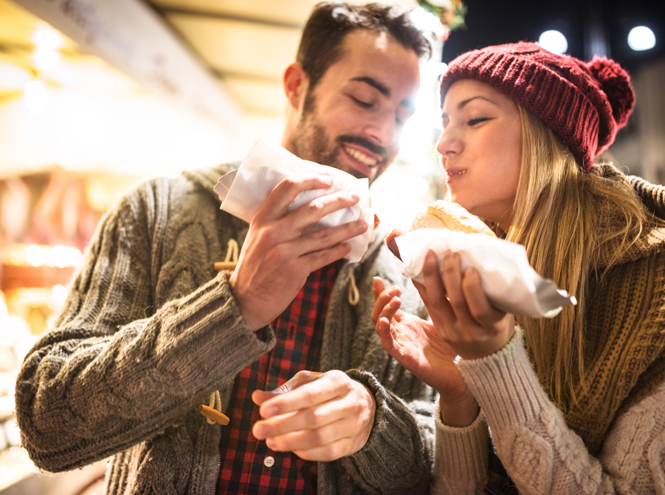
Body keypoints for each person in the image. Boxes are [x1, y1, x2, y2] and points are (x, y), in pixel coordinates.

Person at [14, 3, 437, 494]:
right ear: (296, 86)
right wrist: (235, 305)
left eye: (403, 117)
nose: (383, 135)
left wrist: (373, 423)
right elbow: (47, 424)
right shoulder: (157, 209)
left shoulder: (400, 270)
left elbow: (434, 466)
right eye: (365, 99)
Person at [372, 42, 665, 493]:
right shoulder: (482, 265)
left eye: (475, 119)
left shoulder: (655, 288)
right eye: (445, 121)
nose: (444, 144)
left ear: (547, 135)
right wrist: (460, 395)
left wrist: (496, 364)